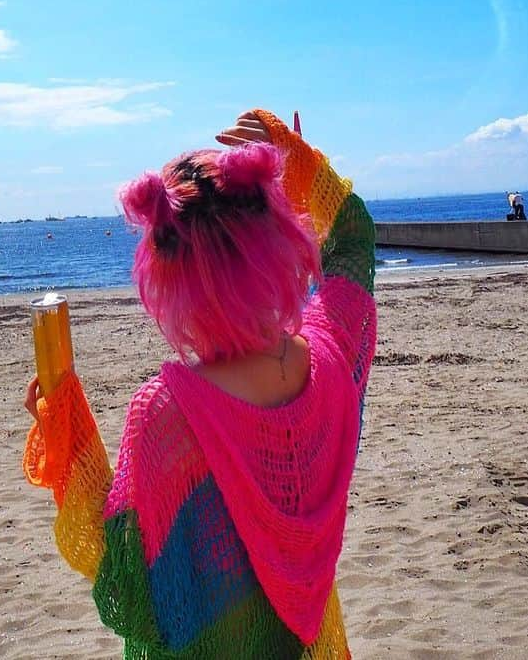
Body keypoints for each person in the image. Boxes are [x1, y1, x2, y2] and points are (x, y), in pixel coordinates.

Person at [22, 108, 377, 658]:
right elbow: (353, 240)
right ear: (278, 239)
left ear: (168, 275)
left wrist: (65, 432)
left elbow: (123, 571)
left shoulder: (167, 412)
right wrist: (298, 162)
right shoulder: (332, 351)